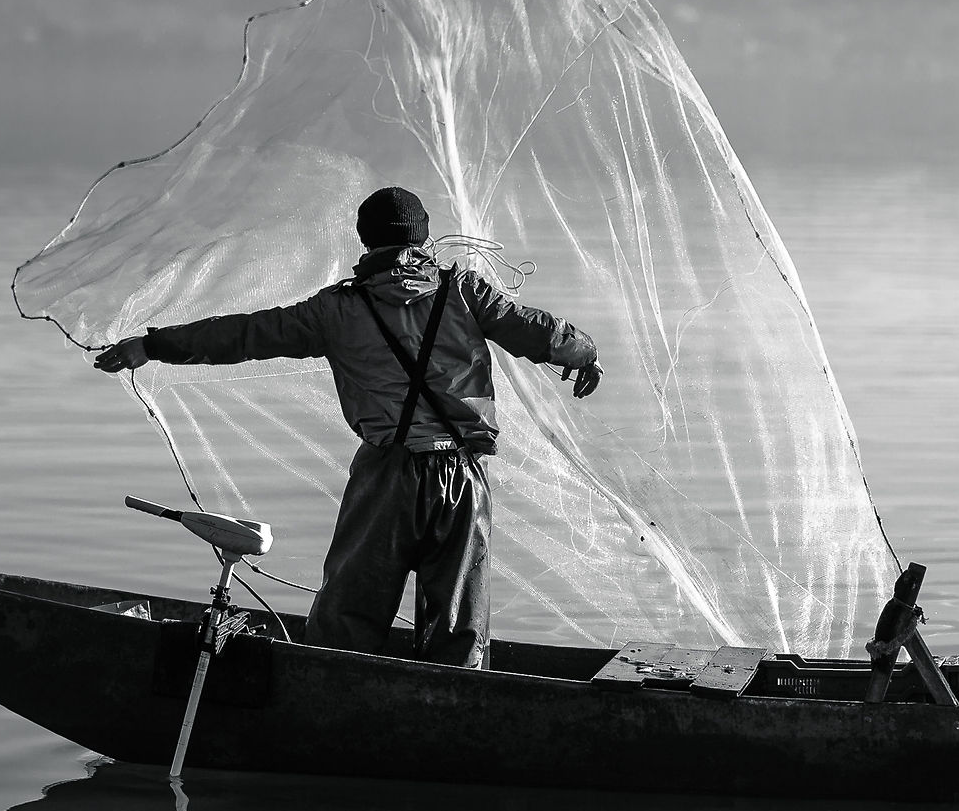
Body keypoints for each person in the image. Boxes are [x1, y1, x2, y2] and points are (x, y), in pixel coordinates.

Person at [94, 187, 601, 669]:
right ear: (423, 238)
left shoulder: (336, 310)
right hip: (461, 476)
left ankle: (327, 696)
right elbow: (542, 333)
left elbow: (246, 334)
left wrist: (153, 345)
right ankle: (453, 703)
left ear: (365, 239)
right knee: (457, 622)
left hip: (388, 476)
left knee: (352, 611)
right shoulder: (465, 292)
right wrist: (586, 356)